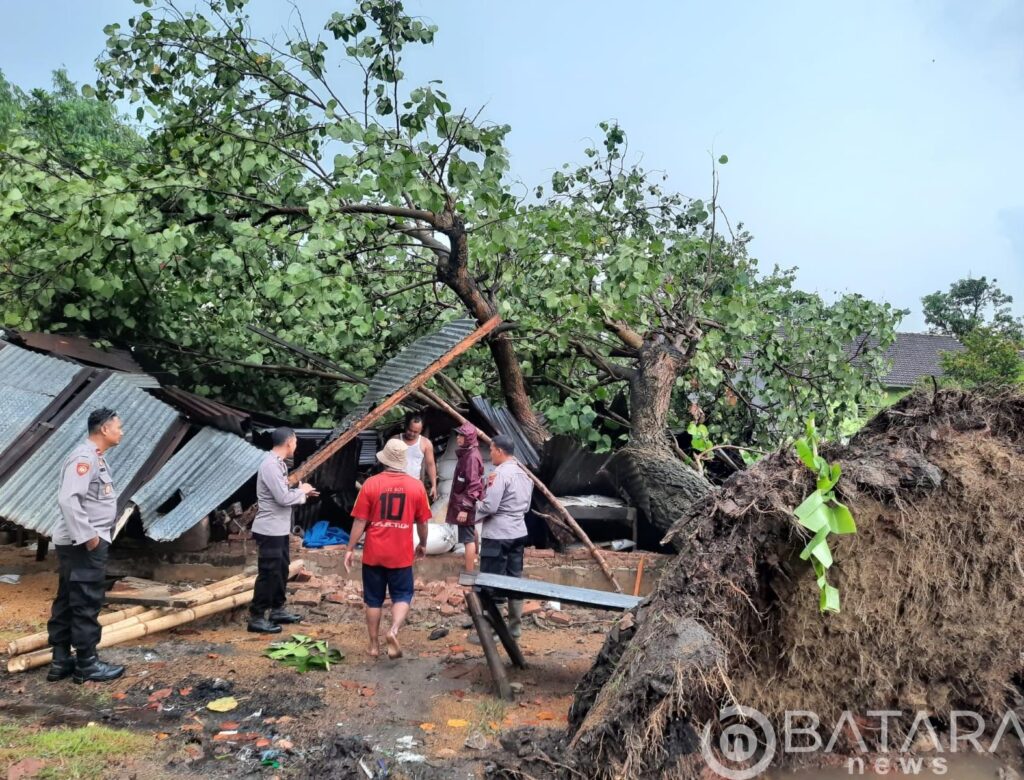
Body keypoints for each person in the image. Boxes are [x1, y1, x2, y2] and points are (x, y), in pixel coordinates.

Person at [47, 408, 126, 683]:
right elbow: (69, 500)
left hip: (78, 542)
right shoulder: (84, 458)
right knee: (86, 600)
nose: (121, 431)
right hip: (83, 543)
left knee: (69, 598)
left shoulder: (95, 458)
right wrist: (89, 537)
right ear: (104, 429)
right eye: (118, 426)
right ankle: (86, 664)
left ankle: (60, 661)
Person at [344, 439, 431, 659]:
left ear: (385, 460)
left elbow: (359, 522)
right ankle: (393, 630)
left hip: (374, 552)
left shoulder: (371, 484)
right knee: (402, 595)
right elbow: (422, 522)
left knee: (373, 599)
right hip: (400, 554)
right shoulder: (416, 486)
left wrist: (350, 548)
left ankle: (374, 646)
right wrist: (423, 543)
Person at [248, 427, 318, 634]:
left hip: (278, 528)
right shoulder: (270, 465)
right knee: (268, 572)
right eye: (295, 442)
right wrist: (302, 492)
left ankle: (277, 609)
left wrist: (301, 493)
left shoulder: (278, 464)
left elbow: (283, 493)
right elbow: (282, 498)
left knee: (281, 570)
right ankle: (257, 617)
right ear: (289, 442)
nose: (296, 446)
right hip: (269, 529)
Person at [471, 434, 534, 642]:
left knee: (491, 581)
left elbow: (490, 506)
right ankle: (514, 628)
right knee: (514, 579)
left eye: (490, 450)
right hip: (518, 531)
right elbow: (525, 507)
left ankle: (492, 631)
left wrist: (474, 509)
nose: (490, 454)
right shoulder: (524, 474)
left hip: (498, 533)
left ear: (499, 450)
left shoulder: (500, 475)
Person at [444, 422, 484, 573]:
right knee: (470, 530)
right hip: (464, 501)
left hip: (466, 503)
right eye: (458, 435)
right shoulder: (468, 454)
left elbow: (474, 484)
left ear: (468, 438)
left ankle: (469, 572)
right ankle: (475, 559)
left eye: (461, 435)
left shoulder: (472, 457)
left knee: (467, 539)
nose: (458, 438)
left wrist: (465, 508)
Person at [392, 412, 438, 502]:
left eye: (415, 432)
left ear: (421, 430)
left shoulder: (425, 443)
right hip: (395, 485)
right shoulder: (395, 440)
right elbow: (386, 462)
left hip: (414, 486)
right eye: (410, 430)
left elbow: (430, 465)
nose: (412, 433)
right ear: (405, 426)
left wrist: (434, 486)